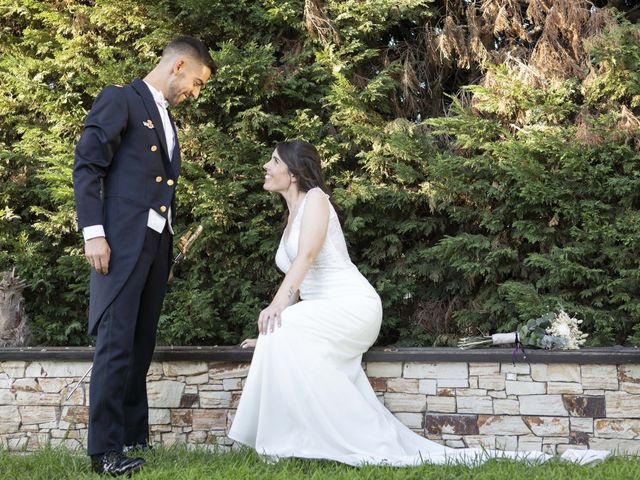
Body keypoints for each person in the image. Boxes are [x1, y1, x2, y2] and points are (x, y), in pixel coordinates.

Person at [228, 140, 608, 467]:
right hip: (321, 310)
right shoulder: (291, 212)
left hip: (353, 306)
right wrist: (272, 332)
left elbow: (306, 257)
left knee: (283, 325)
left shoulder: (316, 199)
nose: (266, 166)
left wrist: (277, 311)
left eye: (274, 161)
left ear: (293, 172)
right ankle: (294, 440)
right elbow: (298, 283)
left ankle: (329, 440)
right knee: (280, 334)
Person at [73, 36, 214, 476]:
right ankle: (105, 453)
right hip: (117, 242)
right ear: (178, 66)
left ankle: (133, 438)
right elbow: (87, 165)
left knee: (139, 346)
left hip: (153, 245)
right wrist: (93, 233)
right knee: (115, 346)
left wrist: (162, 249)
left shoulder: (163, 115)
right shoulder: (121, 99)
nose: (195, 92)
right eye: (195, 81)